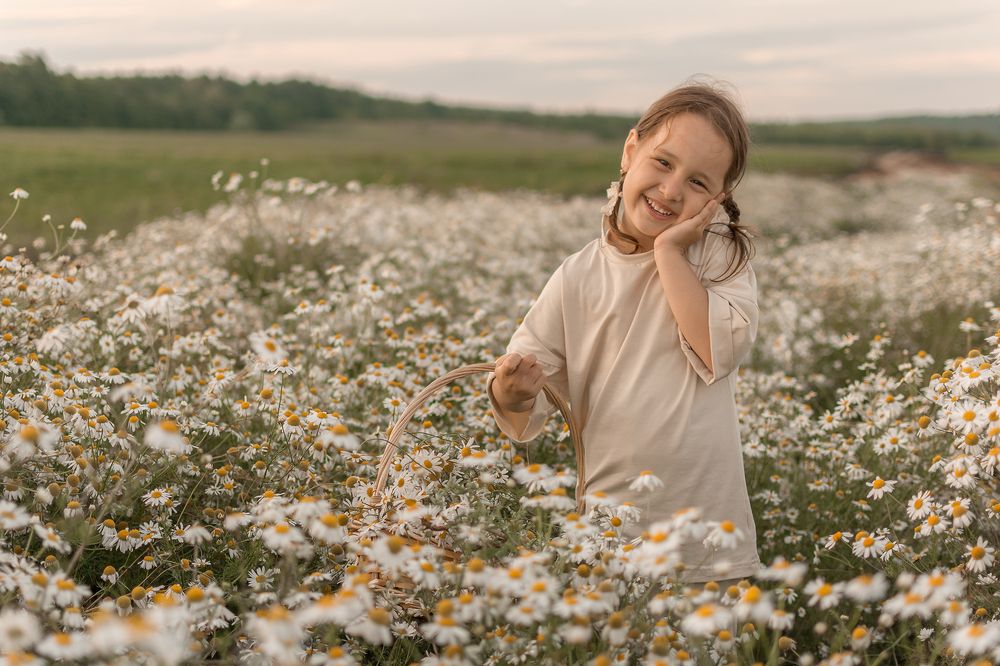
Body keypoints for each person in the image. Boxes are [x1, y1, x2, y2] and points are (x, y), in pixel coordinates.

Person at [487, 80, 762, 586]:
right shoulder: (578, 274)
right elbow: (524, 391)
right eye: (663, 162)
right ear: (630, 151)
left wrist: (670, 252)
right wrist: (513, 389)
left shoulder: (717, 255)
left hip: (708, 536)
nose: (672, 190)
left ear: (717, 199)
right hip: (610, 531)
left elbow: (715, 350)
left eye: (697, 182)